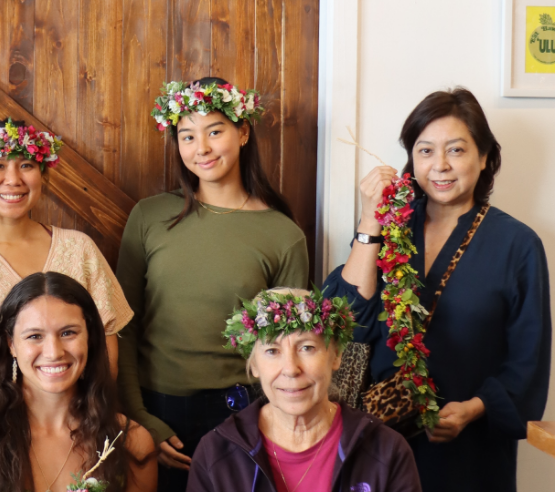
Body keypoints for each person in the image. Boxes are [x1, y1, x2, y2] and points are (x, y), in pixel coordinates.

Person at [322, 88, 550, 491]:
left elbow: (527, 362)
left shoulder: (517, 244)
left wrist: (473, 410)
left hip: (468, 452)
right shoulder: (393, 229)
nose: (440, 165)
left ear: (484, 157)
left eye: (456, 150)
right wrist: (370, 220)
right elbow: (346, 319)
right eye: (425, 151)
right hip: (379, 444)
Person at [117, 77, 309, 490]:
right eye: (187, 135)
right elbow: (122, 326)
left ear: (242, 133)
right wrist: (139, 417)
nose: (200, 148)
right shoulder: (149, 217)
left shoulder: (283, 234)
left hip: (243, 412)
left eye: (214, 131)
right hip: (157, 412)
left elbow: (289, 346)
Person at [0, 118, 132, 419]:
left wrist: (79, 425)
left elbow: (107, 359)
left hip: (77, 425)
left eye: (27, 165)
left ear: (43, 175)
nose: (13, 179)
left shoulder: (80, 249)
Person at [0, 272, 156, 492]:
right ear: (11, 344)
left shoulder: (131, 442)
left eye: (68, 333)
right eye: (35, 336)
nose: (54, 352)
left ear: (90, 337)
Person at [187, 288, 422, 492]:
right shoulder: (214, 453)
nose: (290, 369)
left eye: (307, 347)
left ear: (336, 355)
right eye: (272, 351)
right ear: (254, 365)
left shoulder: (388, 450)